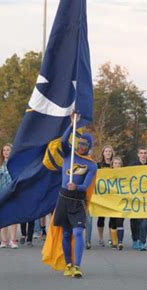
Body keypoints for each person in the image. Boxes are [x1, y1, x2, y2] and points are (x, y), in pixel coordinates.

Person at [54, 114, 97, 278]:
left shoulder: (91, 164)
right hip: (63, 198)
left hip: (78, 200)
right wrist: (72, 124)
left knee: (78, 232)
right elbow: (63, 142)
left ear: (89, 146)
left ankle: (77, 266)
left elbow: (86, 185)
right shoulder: (68, 154)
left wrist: (76, 186)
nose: (81, 146)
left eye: (85, 144)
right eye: (80, 143)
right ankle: (68, 264)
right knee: (66, 233)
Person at [0, 144, 19, 249]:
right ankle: (4, 240)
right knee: (3, 216)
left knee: (13, 217)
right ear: (2, 152)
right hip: (2, 193)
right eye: (4, 150)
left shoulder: (16, 165)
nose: (6, 152)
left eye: (8, 150)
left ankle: (13, 240)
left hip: (13, 193)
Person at [93, 145, 114, 248]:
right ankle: (101, 238)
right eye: (106, 151)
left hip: (113, 195)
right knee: (101, 217)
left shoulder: (115, 165)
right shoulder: (98, 165)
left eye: (110, 151)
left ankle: (111, 238)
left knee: (112, 217)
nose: (108, 153)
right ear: (103, 153)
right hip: (101, 195)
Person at [130, 146, 147, 251]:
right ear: (138, 154)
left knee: (145, 221)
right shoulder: (132, 166)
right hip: (134, 197)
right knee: (134, 221)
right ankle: (135, 239)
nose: (143, 155)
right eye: (141, 153)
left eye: (145, 153)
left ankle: (143, 241)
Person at [109, 157, 125, 250]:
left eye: (119, 163)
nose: (117, 165)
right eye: (115, 163)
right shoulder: (108, 175)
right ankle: (114, 242)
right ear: (112, 165)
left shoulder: (125, 175)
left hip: (122, 202)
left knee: (120, 221)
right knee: (113, 222)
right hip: (111, 202)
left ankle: (120, 242)